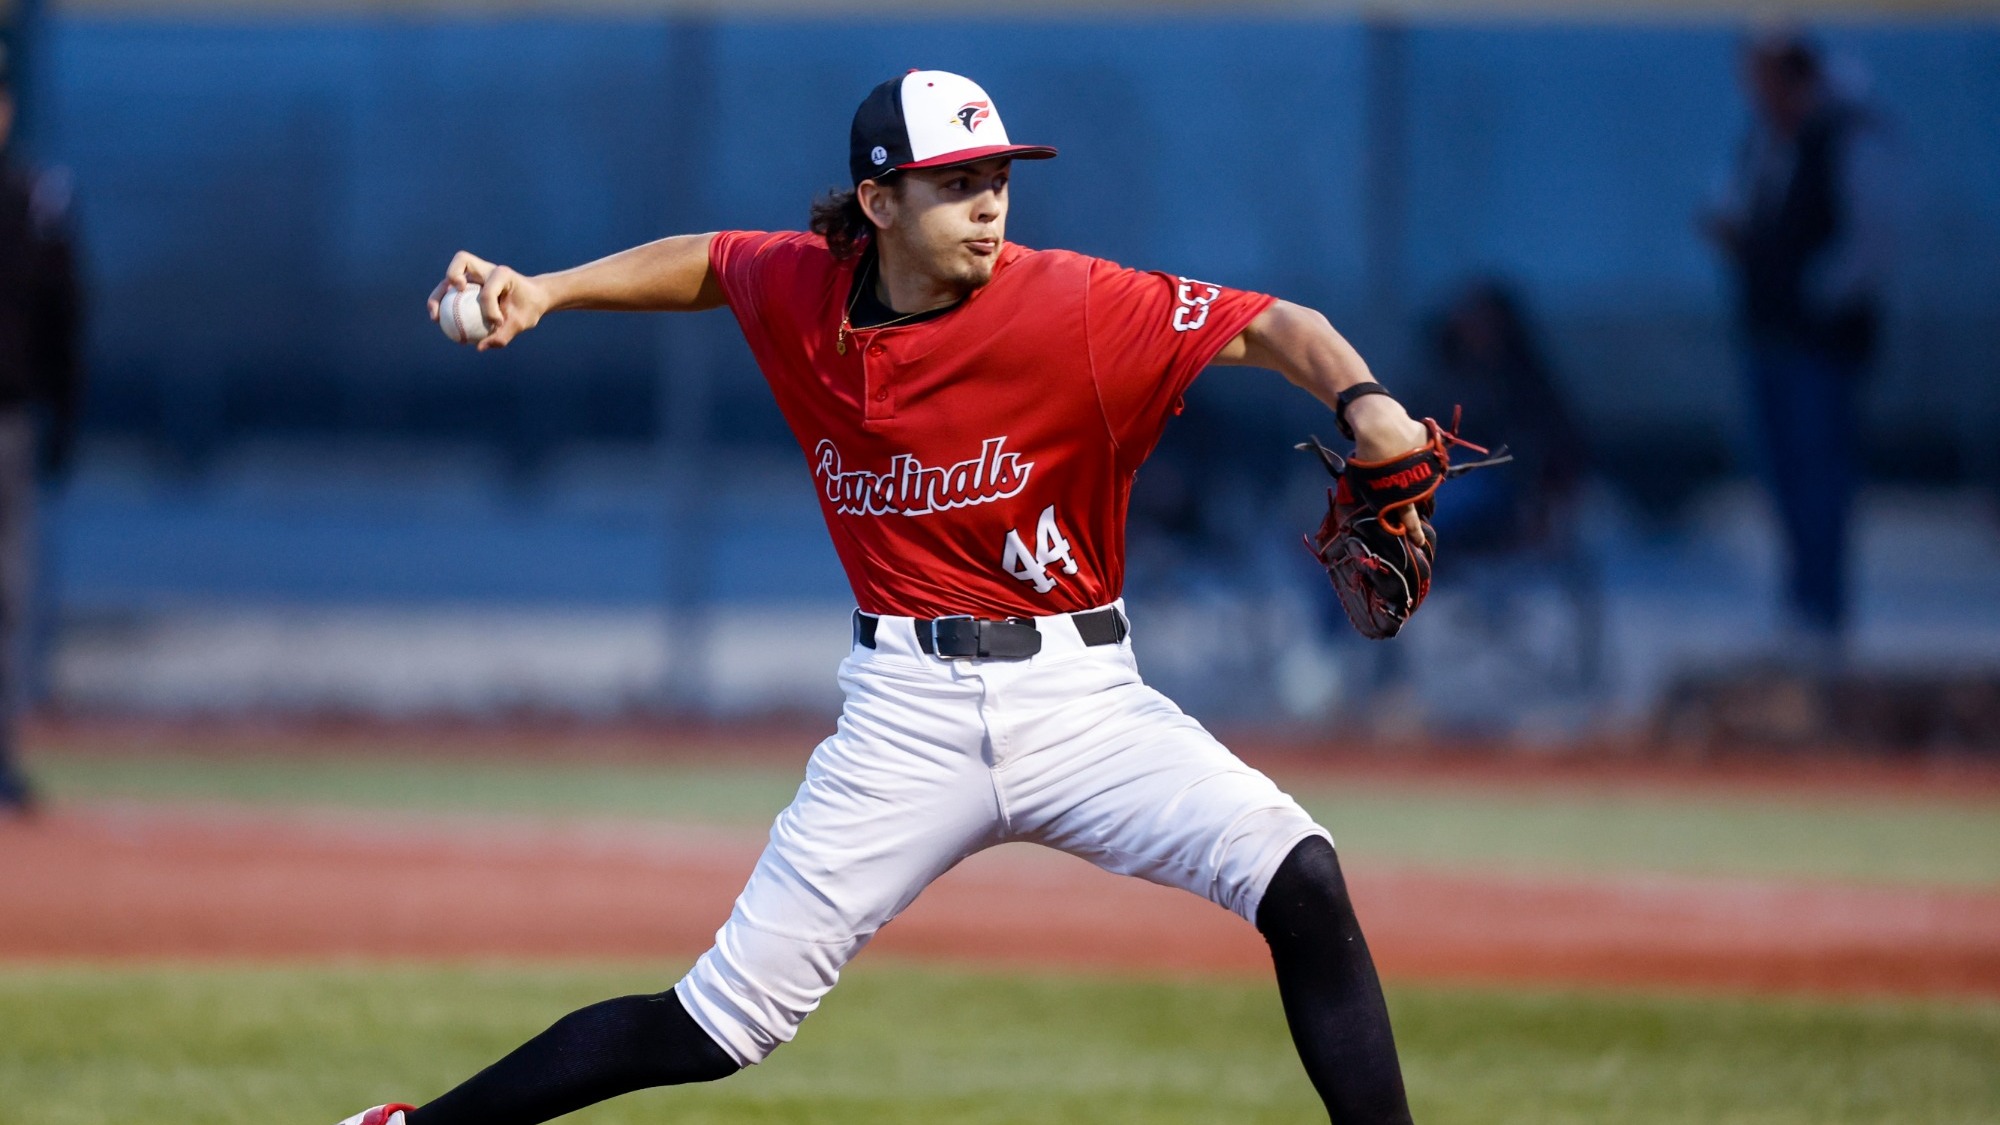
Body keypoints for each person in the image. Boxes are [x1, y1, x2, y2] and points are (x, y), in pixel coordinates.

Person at [346, 70, 1435, 1125]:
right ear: (876, 202)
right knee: (714, 1025)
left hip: (1086, 704)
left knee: (1298, 874)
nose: (988, 204)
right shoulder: (803, 287)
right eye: (956, 183)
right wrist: (546, 289)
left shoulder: (1076, 306)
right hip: (903, 720)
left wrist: (1367, 404)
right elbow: (707, 262)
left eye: (998, 177)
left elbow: (1272, 325)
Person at [1700, 30, 1893, 660]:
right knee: (1780, 478)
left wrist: (1813, 293)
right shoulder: (1763, 138)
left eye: (1765, 82)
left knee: (1821, 479)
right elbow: (1745, 208)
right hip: (1769, 334)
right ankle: (1798, 606)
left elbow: (1870, 235)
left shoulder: (1845, 135)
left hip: (1820, 343)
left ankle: (1826, 614)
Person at [0, 59, 83, 816]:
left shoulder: (34, 203)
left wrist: (65, 416)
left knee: (9, 595)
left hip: (10, 425)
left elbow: (67, 317)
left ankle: (1, 753)